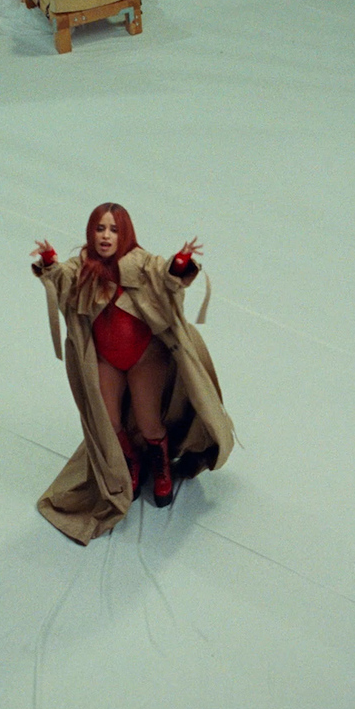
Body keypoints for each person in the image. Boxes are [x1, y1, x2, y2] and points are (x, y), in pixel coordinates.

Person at [29, 203, 233, 544]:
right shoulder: (83, 267)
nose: (106, 236)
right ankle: (130, 466)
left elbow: (166, 276)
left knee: (149, 420)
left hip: (144, 359)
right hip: (107, 361)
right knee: (109, 421)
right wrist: (49, 261)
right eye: (99, 229)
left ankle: (162, 466)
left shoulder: (140, 262)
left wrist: (180, 262)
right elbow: (62, 281)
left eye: (113, 229)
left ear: (125, 233)